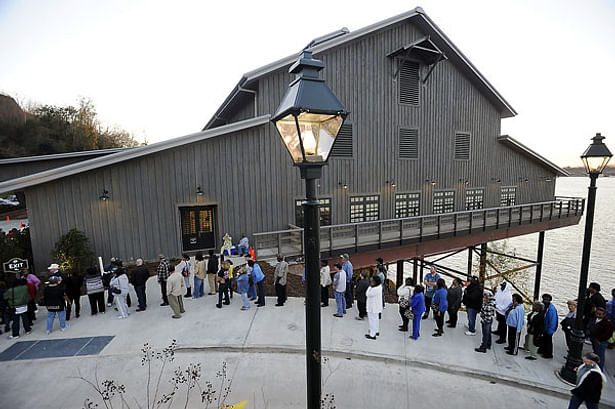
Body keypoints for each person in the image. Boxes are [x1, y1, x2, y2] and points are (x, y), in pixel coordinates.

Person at [538, 293, 558, 359]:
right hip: (544, 326)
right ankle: (542, 350)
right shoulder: (544, 307)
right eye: (544, 299)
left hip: (548, 327)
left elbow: (553, 320)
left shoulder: (551, 309)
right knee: (544, 339)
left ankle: (548, 354)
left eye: (546, 299)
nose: (545, 300)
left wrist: (551, 330)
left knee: (548, 340)